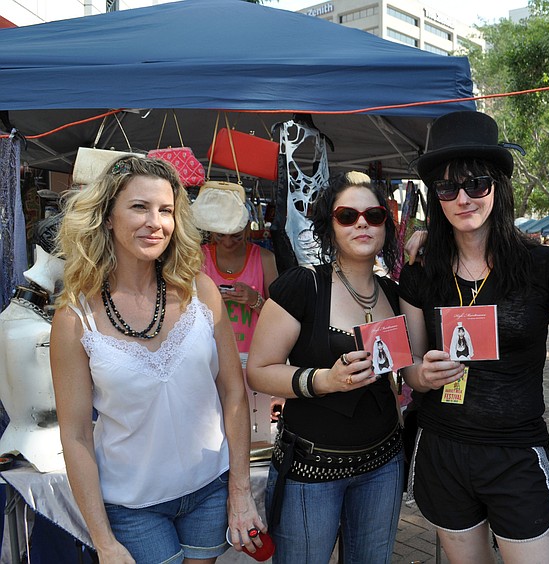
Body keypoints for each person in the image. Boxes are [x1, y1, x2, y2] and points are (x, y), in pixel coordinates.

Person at [399, 110, 549, 563]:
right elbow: (407, 367)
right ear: (437, 198)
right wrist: (423, 375)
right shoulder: (420, 273)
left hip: (516, 452)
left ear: (497, 187)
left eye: (476, 184)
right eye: (449, 188)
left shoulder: (542, 268)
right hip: (442, 446)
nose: (463, 198)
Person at [50, 156, 264, 563]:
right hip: (131, 506)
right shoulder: (74, 319)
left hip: (209, 488)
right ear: (107, 217)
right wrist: (104, 542)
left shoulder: (202, 291)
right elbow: (75, 436)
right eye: (139, 207)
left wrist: (240, 491)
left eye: (166, 210)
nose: (156, 222)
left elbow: (234, 394)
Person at [246, 171, 405, 564]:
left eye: (375, 215)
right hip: (311, 470)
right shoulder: (304, 285)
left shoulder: (393, 293)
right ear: (329, 226)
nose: (363, 223)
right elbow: (260, 371)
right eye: (347, 216)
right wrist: (325, 380)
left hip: (384, 463)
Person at [192, 183, 278, 355]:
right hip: (209, 354)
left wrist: (255, 300)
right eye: (220, 235)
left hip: (254, 356)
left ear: (247, 229)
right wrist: (207, 298)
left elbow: (280, 318)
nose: (228, 242)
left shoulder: (265, 259)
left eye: (236, 237)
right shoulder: (198, 257)